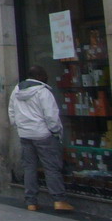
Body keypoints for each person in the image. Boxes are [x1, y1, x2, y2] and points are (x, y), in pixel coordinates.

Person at [8, 65, 74, 212]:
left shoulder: (17, 91)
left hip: (25, 134)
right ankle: (59, 200)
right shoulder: (43, 92)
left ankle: (31, 201)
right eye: (45, 75)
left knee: (29, 168)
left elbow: (11, 112)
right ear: (41, 77)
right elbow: (51, 115)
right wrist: (56, 131)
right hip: (43, 134)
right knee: (51, 167)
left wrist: (19, 127)